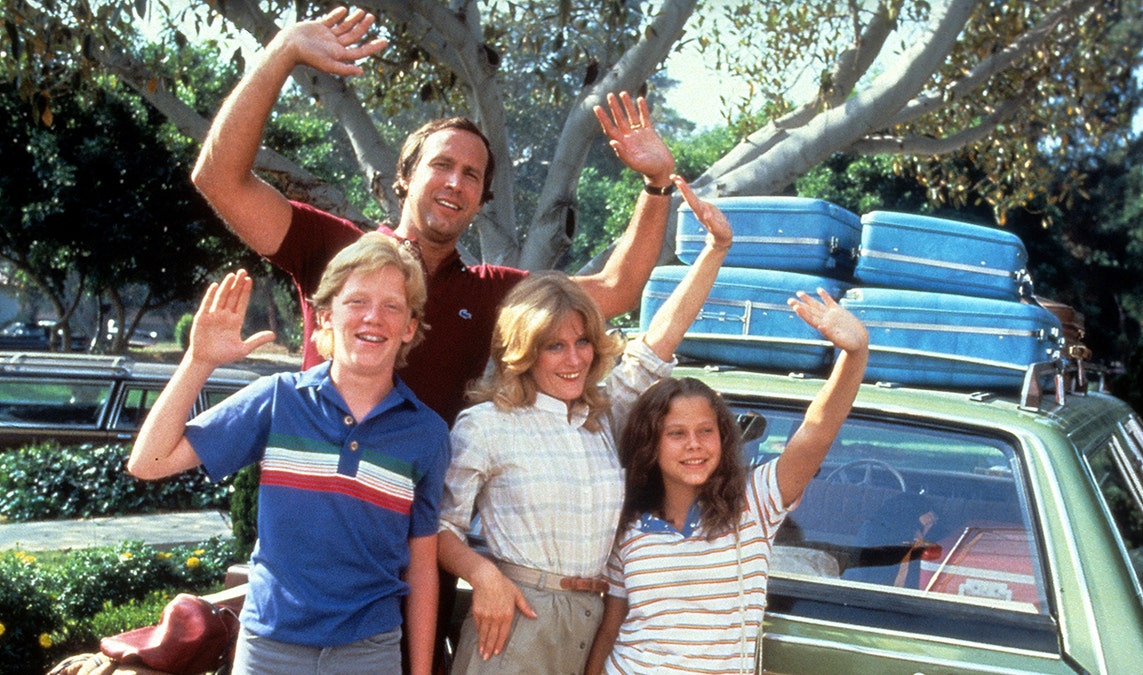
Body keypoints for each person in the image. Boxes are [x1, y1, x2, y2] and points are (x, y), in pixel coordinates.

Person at [191, 5, 677, 425]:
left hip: (415, 522)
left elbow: (618, 288)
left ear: (482, 199)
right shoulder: (335, 249)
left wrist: (657, 184)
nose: (453, 182)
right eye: (441, 165)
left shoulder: (493, 293)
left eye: (471, 174)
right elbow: (219, 179)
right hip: (316, 503)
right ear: (405, 177)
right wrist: (282, 50)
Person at [436, 176, 731, 674]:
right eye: (554, 346)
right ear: (523, 352)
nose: (573, 359)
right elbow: (440, 527)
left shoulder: (604, 416)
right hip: (516, 617)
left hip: (593, 623)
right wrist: (482, 576)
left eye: (582, 342)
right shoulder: (485, 425)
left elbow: (658, 343)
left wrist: (715, 250)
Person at [126, 233, 449, 674]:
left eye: (392, 305)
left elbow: (423, 567)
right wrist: (199, 360)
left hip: (370, 654)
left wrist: (421, 671)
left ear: (410, 326)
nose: (374, 317)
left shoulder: (426, 432)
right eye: (356, 301)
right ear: (327, 315)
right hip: (269, 649)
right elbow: (148, 462)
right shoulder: (278, 400)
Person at [584, 289, 869, 675]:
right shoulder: (631, 526)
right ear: (650, 445)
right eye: (676, 434)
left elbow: (816, 432)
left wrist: (855, 354)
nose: (694, 446)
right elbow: (611, 630)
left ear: (723, 437)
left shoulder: (755, 503)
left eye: (706, 430)